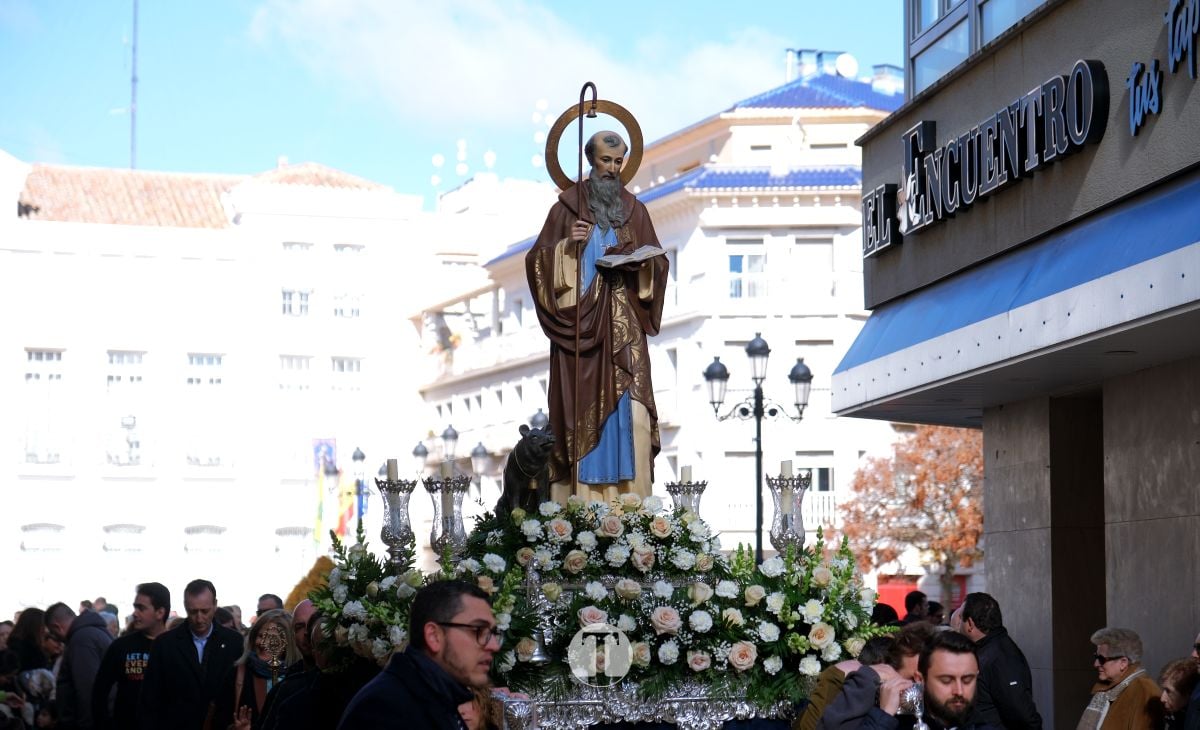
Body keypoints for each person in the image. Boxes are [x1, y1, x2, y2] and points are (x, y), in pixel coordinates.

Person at [525, 129, 669, 503]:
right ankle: (579, 504)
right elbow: (537, 263)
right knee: (577, 415)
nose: (613, 169)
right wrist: (566, 247)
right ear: (591, 161)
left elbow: (658, 263)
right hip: (580, 331)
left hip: (624, 327)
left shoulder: (635, 210)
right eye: (606, 160)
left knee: (634, 416)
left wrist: (643, 262)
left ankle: (631, 506)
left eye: (619, 162)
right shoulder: (565, 210)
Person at [337, 580, 501, 729]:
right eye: (478, 630)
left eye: (493, 633)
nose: (493, 645)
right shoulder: (387, 710)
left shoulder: (439, 698)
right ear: (434, 636)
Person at [137, 579, 242, 730]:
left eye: (205, 611)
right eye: (193, 612)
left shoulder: (234, 642)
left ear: (215, 605)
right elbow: (149, 697)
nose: (199, 618)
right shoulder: (165, 644)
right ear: (185, 607)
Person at [860, 630, 1000, 729]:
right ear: (920, 679)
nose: (959, 691)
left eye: (967, 680)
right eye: (946, 680)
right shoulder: (893, 723)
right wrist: (883, 717)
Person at [817, 623, 934, 730]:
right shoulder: (880, 708)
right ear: (890, 673)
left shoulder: (948, 712)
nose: (921, 686)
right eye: (913, 679)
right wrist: (884, 716)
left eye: (945, 679)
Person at [91, 582, 169, 730]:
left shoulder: (177, 647)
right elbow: (99, 692)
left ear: (160, 612)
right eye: (135, 607)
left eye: (141, 608)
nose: (135, 613)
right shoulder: (121, 646)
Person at [959, 592, 1043, 729]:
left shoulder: (1000, 657)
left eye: (961, 618)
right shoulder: (988, 651)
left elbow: (1021, 712)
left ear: (969, 623)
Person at [211, 609, 298, 730]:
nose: (263, 643)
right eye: (261, 635)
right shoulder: (238, 674)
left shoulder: (298, 676)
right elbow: (218, 722)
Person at [1077, 627, 1164, 730]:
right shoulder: (1108, 689)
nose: (1095, 664)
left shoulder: (1144, 690)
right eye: (1096, 657)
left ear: (1123, 663)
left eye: (1101, 659)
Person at [45, 602, 112, 729]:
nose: (57, 639)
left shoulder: (81, 640)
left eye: (54, 633)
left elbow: (87, 690)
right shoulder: (95, 632)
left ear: (57, 627)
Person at [1159, 658, 1199, 729]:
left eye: (1168, 691)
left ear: (1187, 693)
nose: (1162, 698)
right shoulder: (1176, 716)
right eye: (1164, 690)